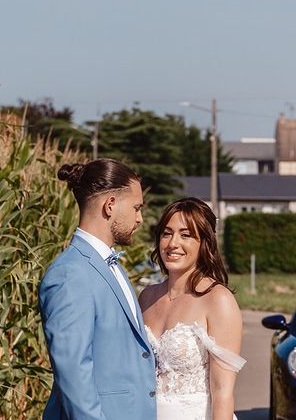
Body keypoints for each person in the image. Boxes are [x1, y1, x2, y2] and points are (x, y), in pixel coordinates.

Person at [39, 158, 157, 420]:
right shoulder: (70, 274)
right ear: (110, 205)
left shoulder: (111, 265)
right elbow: (73, 373)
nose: (140, 219)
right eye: (136, 208)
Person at [139, 197, 245, 420]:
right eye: (166, 233)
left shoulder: (218, 299)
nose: (172, 243)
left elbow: (222, 392)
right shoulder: (147, 297)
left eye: (185, 235)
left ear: (204, 242)